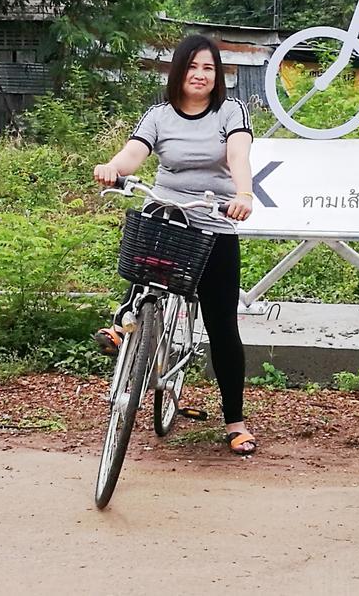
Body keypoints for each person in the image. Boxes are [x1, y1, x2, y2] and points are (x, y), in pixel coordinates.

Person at [93, 34, 257, 455]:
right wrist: (112, 168)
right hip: (169, 213)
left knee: (222, 326)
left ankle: (234, 421)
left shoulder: (230, 112)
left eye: (208, 68)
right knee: (145, 247)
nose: (200, 75)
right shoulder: (159, 116)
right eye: (192, 67)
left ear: (217, 75)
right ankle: (125, 322)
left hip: (214, 221)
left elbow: (239, 155)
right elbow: (134, 153)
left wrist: (243, 193)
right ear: (178, 72)